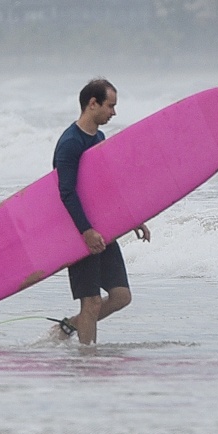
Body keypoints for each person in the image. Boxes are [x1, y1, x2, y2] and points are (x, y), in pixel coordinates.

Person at [54, 79, 149, 347]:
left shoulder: (99, 138)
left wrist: (131, 218)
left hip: (103, 228)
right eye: (110, 106)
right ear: (92, 104)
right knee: (92, 302)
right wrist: (86, 231)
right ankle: (87, 358)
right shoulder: (70, 143)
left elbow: (106, 189)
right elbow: (67, 193)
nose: (114, 112)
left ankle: (68, 327)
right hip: (80, 232)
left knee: (121, 297)